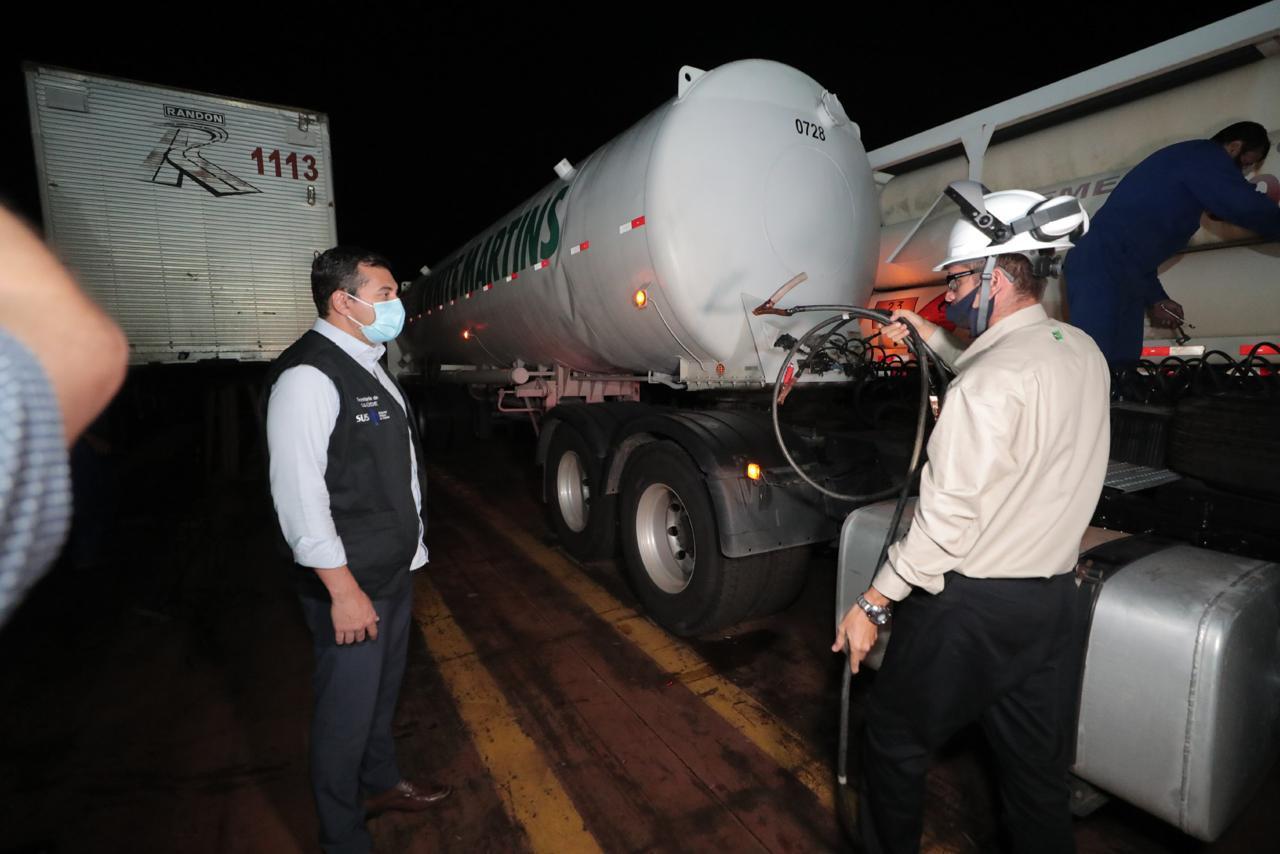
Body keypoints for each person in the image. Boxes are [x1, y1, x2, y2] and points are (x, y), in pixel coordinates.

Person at [834, 188, 1110, 854]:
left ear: (996, 277)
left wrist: (873, 604)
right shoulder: (1080, 350)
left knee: (894, 742)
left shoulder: (984, 385)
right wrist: (925, 335)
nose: (948, 294)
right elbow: (998, 373)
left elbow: (945, 522)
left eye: (957, 280)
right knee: (1037, 782)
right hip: (1052, 604)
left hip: (971, 611)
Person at [265, 246, 451, 854]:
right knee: (344, 716)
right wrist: (342, 591)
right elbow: (299, 497)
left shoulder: (368, 363)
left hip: (389, 572)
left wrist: (410, 554)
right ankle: (342, 836)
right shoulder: (308, 377)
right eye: (385, 294)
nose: (397, 305)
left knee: (381, 693)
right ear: (343, 302)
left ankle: (381, 782)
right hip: (348, 584)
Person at [0, 205, 128, 627]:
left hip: (81, 448)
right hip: (79, 451)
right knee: (85, 513)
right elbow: (95, 349)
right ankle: (84, 596)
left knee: (92, 511)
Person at [1062, 121, 1280, 366]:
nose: (1244, 173)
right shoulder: (1204, 156)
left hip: (1117, 266)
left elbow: (1137, 252)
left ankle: (1119, 389)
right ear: (1234, 147)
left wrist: (1158, 299)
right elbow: (1244, 205)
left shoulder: (1186, 169)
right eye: (1247, 163)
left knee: (1123, 359)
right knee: (1096, 357)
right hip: (1099, 264)